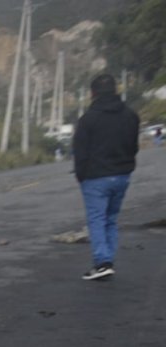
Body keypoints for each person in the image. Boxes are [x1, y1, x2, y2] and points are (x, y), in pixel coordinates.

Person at [73, 74, 140, 281]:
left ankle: (102, 263)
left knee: (97, 219)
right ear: (115, 90)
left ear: (93, 94)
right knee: (110, 219)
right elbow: (133, 147)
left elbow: (80, 152)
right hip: (121, 175)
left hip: (95, 178)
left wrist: (81, 176)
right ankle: (107, 261)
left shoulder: (87, 120)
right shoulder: (131, 116)